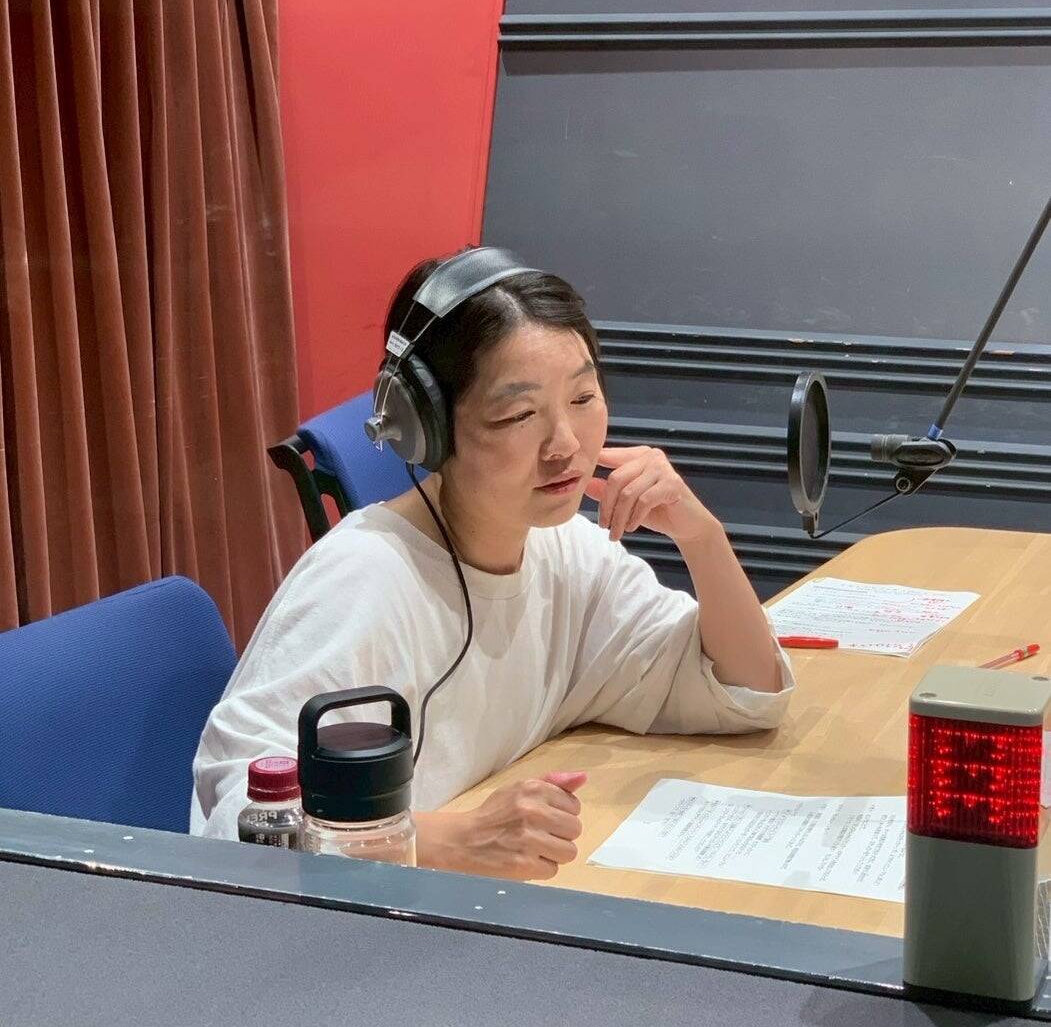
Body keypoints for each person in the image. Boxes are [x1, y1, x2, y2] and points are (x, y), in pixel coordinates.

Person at [191, 249, 794, 880]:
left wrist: (703, 539)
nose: (566, 445)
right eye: (518, 415)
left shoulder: (567, 553)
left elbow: (748, 692)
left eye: (583, 397)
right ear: (425, 429)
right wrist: (445, 840)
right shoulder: (360, 583)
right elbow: (242, 826)